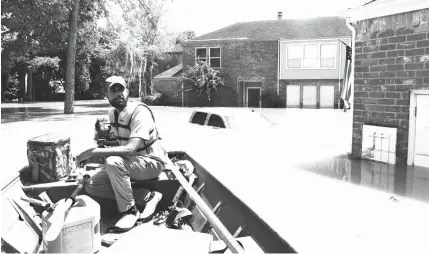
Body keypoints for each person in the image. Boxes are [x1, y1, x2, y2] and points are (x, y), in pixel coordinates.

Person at [76, 76, 172, 231]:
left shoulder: (140, 112)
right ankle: (146, 196)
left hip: (152, 163)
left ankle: (129, 211)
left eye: (121, 89)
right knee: (92, 185)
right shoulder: (112, 114)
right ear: (106, 95)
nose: (118, 93)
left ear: (127, 91)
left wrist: (92, 153)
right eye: (113, 90)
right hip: (133, 163)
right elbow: (120, 144)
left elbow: (130, 149)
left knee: (113, 162)